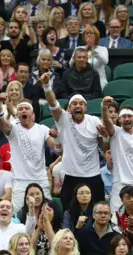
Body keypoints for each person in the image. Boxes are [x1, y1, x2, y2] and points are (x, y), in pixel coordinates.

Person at [41, 73, 106, 207]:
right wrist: (47, 85)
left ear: (85, 108)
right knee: (68, 212)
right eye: (74, 104)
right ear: (69, 109)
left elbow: (105, 147)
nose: (78, 106)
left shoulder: (94, 121)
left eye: (81, 104)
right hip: (71, 174)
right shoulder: (64, 119)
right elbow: (53, 103)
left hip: (93, 174)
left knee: (98, 210)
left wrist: (105, 136)